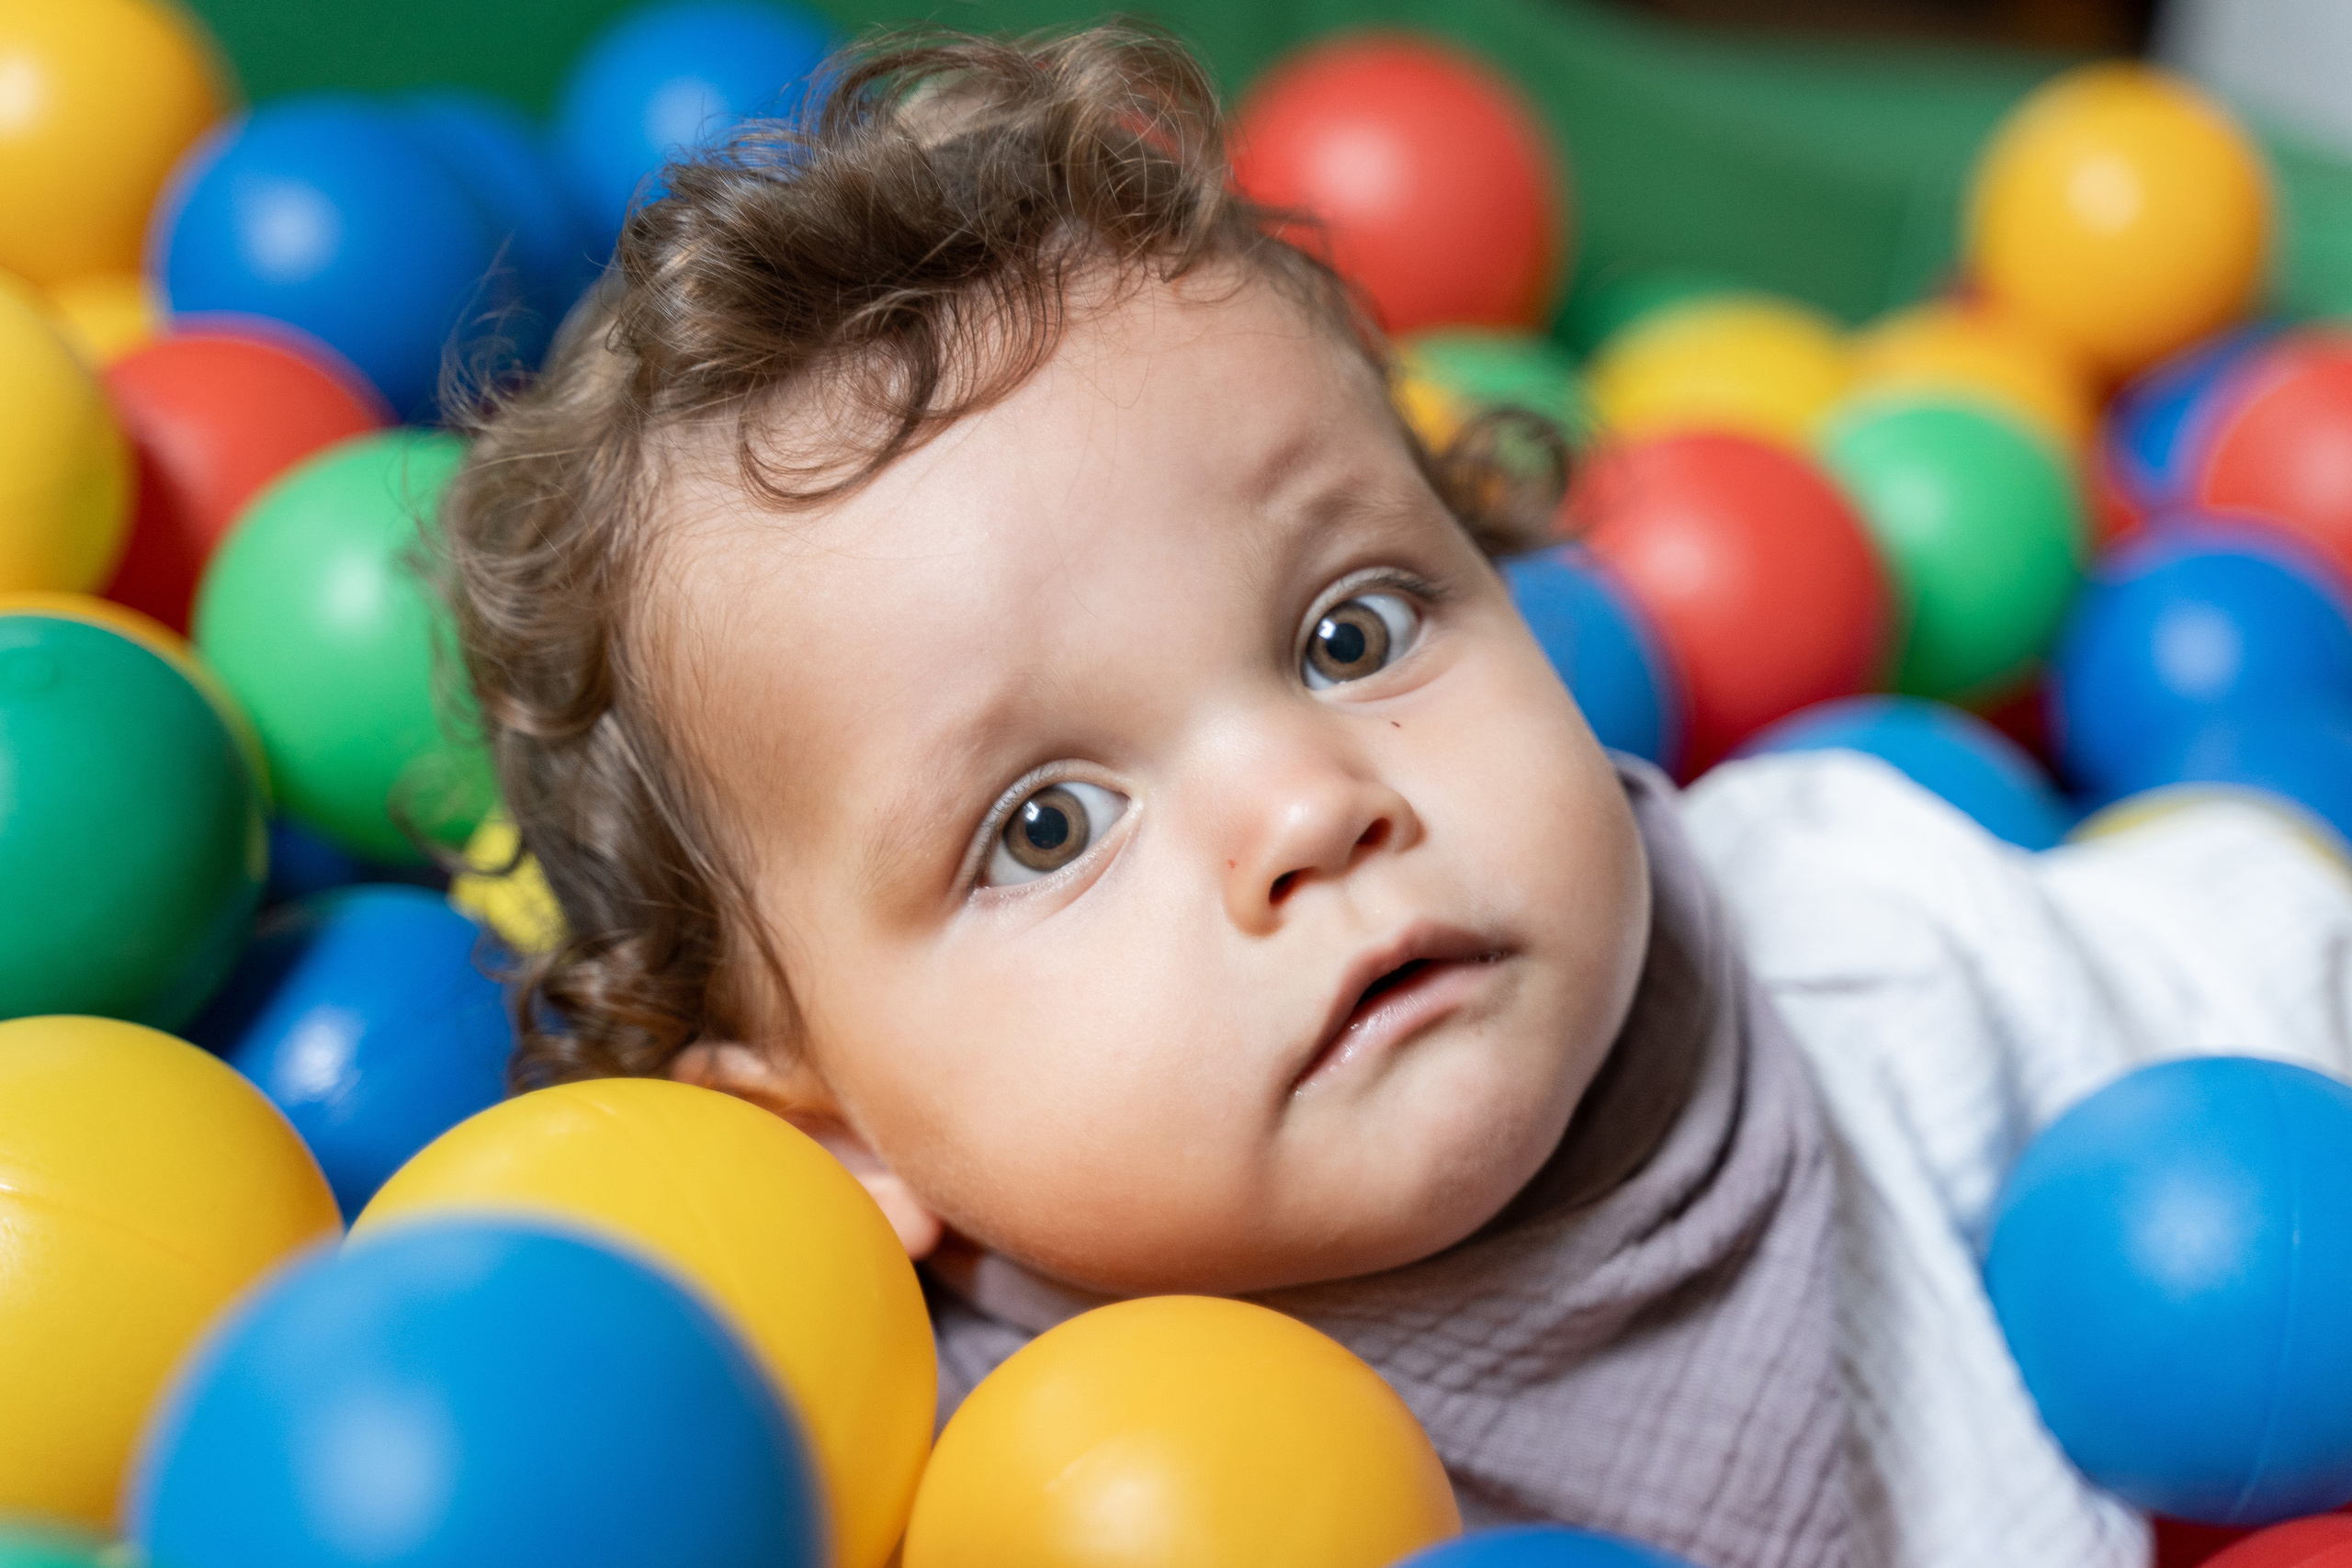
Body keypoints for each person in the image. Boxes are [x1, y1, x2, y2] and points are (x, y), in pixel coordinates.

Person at [435, 28, 2352, 1568]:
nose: (1308, 803)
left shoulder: (1873, 952)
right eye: (1043, 823)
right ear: (837, 1129)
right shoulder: (941, 1474)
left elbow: (2263, 960)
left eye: (1351, 631)